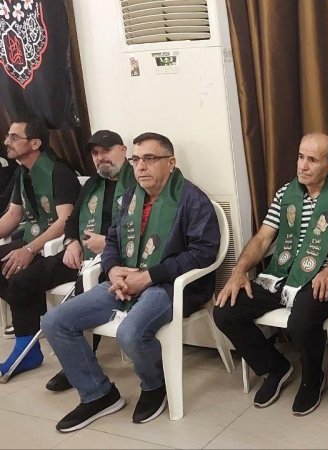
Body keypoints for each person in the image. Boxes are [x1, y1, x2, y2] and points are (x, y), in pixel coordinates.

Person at [41, 132, 220, 432]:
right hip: (124, 280)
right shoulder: (129, 198)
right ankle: (98, 394)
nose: (140, 166)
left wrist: (149, 276)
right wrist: (112, 270)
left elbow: (203, 253)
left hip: (170, 285)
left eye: (150, 158)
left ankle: (154, 385)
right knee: (55, 321)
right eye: (136, 159)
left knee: (131, 333)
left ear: (171, 163)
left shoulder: (191, 199)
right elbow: (112, 239)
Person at [213, 133, 328, 416]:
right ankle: (275, 367)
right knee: (226, 310)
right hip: (281, 275)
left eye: (312, 160)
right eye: (300, 157)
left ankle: (313, 376)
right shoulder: (287, 193)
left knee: (301, 321)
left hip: (323, 277)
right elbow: (263, 238)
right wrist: (239, 271)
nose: (302, 165)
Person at [5, 129, 135, 389]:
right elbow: (72, 220)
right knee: (20, 281)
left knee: (81, 295)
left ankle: (77, 364)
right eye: (95, 153)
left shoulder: (138, 182)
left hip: (119, 258)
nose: (100, 158)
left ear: (123, 150)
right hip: (81, 254)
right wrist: (71, 242)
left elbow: (145, 229)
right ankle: (27, 351)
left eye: (107, 151)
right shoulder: (92, 184)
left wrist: (108, 243)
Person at [0, 118, 80, 377]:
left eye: (14, 137)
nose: (7, 142)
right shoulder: (22, 173)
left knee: (19, 280)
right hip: (35, 239)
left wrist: (29, 250)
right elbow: (13, 216)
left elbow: (64, 221)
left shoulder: (59, 172)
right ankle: (29, 319)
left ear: (35, 143)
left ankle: (28, 350)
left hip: (60, 247)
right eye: (8, 136)